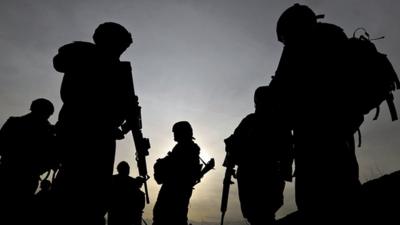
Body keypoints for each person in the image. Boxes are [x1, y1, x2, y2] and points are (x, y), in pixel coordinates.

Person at [269, 3, 363, 223]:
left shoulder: (302, 48)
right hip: (337, 131)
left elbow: (280, 91)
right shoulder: (332, 37)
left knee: (317, 200)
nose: (285, 43)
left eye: (285, 38)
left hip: (317, 136)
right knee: (346, 191)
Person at [52, 22, 139, 225]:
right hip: (84, 133)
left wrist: (123, 122)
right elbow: (62, 65)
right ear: (110, 42)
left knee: (89, 192)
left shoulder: (103, 63)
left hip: (97, 133)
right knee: (81, 192)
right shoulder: (85, 56)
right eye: (120, 48)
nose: (120, 54)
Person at [225, 86, 293, 225]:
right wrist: (229, 168)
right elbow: (233, 143)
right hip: (250, 175)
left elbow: (287, 149)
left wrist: (284, 172)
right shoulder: (250, 121)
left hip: (268, 174)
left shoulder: (278, 123)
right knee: (256, 216)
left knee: (264, 215)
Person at [0, 98, 56, 225]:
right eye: (47, 115)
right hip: (25, 177)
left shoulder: (13, 122)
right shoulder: (46, 130)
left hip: (9, 173)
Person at [152, 121, 202, 225]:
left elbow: (173, 168)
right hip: (177, 191)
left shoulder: (185, 148)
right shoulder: (187, 148)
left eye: (175, 132)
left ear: (182, 132)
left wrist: (160, 163)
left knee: (166, 217)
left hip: (174, 192)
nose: (174, 134)